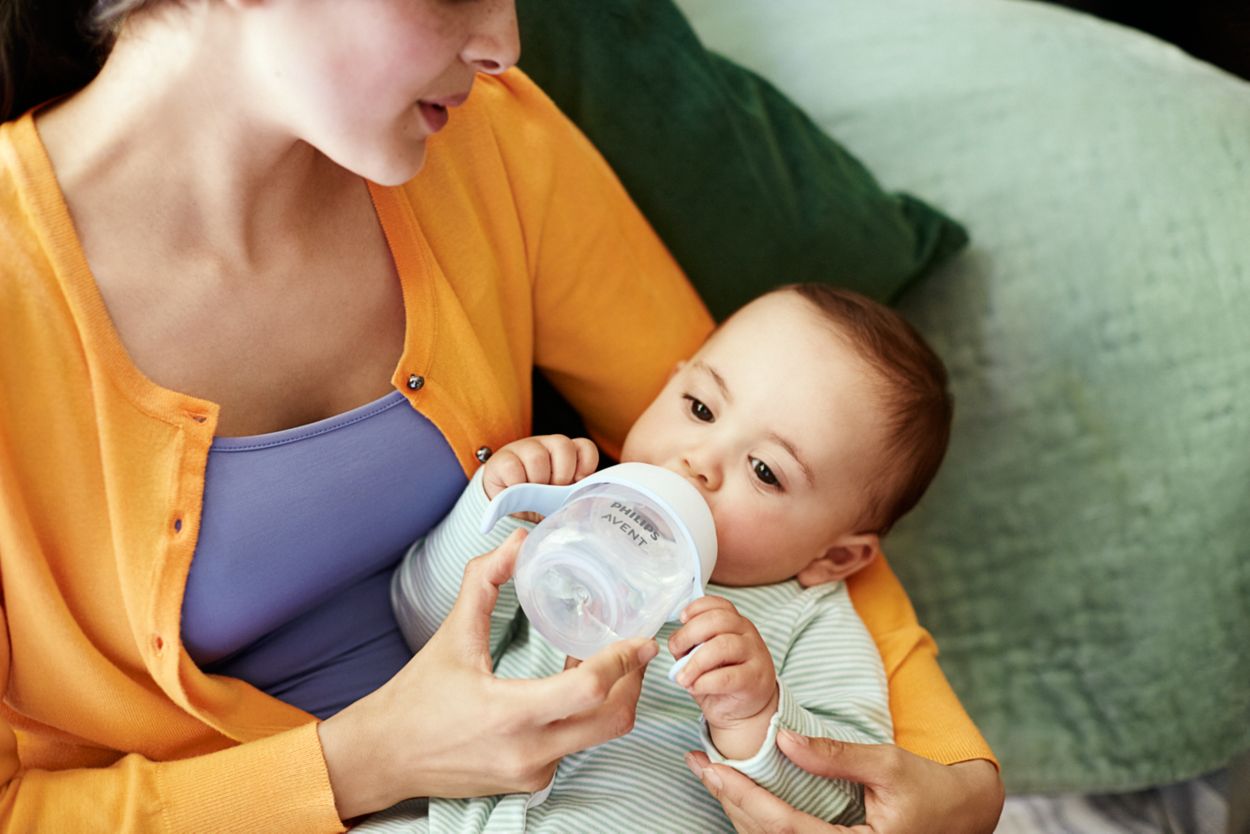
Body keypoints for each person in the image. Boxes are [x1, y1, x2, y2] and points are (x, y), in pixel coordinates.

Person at [0, 1, 1002, 831]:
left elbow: (765, 469)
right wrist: (364, 761)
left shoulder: (486, 143)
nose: (505, 43)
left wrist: (958, 781)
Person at [368, 285, 955, 831]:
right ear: (668, 387)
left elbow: (852, 801)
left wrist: (755, 718)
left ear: (835, 556)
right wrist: (495, 510)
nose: (700, 459)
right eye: (700, 409)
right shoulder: (577, 513)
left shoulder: (809, 622)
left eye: (764, 471)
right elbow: (422, 626)